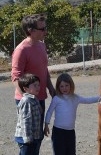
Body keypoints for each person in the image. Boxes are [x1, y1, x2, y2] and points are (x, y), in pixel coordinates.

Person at [11, 13, 56, 152]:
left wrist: (51, 88)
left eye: (45, 27)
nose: (45, 31)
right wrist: (26, 98)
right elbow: (15, 77)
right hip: (27, 102)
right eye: (42, 29)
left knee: (37, 138)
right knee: (27, 140)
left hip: (40, 98)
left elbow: (44, 69)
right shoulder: (21, 50)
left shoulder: (42, 46)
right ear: (31, 30)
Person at [44, 73, 100, 155]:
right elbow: (49, 112)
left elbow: (88, 100)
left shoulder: (75, 98)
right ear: (58, 87)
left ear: (71, 85)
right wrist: (46, 125)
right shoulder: (57, 99)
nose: (64, 88)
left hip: (70, 132)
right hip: (58, 132)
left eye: (67, 85)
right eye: (61, 86)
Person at [15, 73, 43, 155]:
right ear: (25, 88)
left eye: (38, 85)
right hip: (26, 139)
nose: (38, 87)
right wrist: (27, 138)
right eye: (35, 85)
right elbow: (25, 121)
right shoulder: (27, 101)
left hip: (33, 137)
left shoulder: (34, 99)